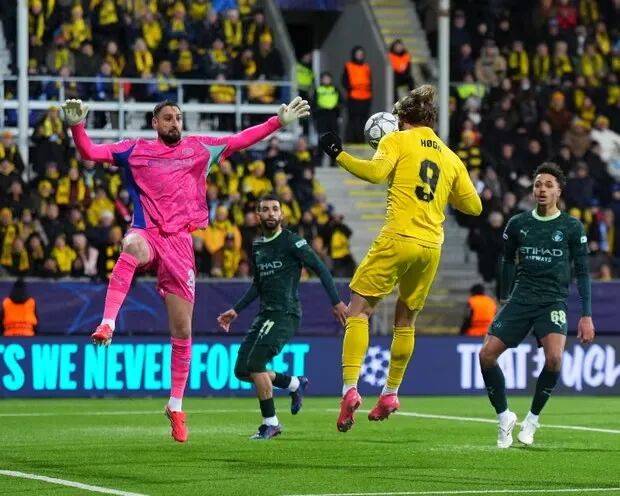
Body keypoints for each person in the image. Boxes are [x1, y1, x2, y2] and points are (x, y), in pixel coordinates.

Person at [61, 95, 309, 443]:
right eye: (167, 117)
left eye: (178, 117)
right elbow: (89, 152)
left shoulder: (199, 149)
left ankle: (175, 406)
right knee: (131, 246)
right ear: (155, 123)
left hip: (179, 244)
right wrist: (77, 126)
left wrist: (277, 123)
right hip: (148, 231)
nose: (174, 122)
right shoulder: (135, 150)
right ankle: (107, 323)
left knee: (182, 331)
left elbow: (240, 140)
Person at [319, 85, 482, 432]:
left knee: (358, 311)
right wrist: (444, 193)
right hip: (431, 247)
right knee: (406, 321)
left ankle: (350, 389)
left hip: (398, 236)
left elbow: (375, 174)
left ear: (403, 118)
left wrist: (338, 154)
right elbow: (474, 206)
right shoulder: (450, 156)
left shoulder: (396, 140)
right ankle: (390, 393)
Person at [479, 162, 595, 448]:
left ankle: (531, 420)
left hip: (552, 301)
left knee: (554, 359)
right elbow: (507, 260)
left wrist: (586, 315)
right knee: (486, 356)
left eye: (548, 185)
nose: (542, 189)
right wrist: (504, 297)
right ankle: (504, 416)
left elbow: (582, 272)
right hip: (521, 298)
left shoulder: (571, 226)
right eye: (538, 185)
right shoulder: (518, 224)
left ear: (558, 191)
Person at [217, 194, 347, 440]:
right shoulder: (258, 246)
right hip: (265, 314)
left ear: (282, 215)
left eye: (275, 209)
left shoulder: (291, 241)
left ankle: (271, 423)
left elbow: (320, 268)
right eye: (265, 209)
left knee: (256, 364)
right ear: (258, 215)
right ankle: (294, 384)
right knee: (242, 370)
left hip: (286, 313)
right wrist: (236, 310)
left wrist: (336, 302)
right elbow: (258, 284)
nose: (271, 213)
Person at [342, 46, 372, 143]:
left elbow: (370, 82)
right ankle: (350, 139)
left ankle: (361, 139)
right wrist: (351, 88)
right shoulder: (348, 66)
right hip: (353, 97)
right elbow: (344, 81)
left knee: (363, 120)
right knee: (353, 119)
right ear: (354, 55)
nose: (359, 56)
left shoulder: (366, 67)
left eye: (361, 54)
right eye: (358, 54)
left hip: (366, 97)